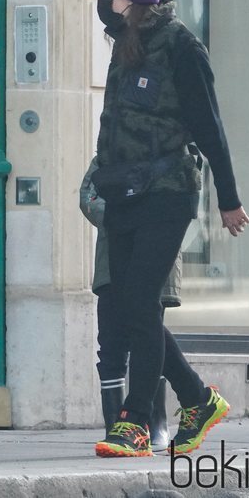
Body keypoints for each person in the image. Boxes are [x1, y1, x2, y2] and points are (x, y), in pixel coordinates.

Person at [92, 0, 249, 458]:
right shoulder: (125, 42)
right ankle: (197, 399)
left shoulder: (182, 47)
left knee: (141, 300)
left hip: (167, 191)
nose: (103, 3)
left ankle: (135, 423)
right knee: (133, 307)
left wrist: (228, 198)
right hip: (122, 194)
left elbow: (211, 127)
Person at [80, 156, 182, 451]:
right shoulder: (110, 152)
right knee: (110, 344)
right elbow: (88, 196)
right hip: (112, 263)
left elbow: (180, 201)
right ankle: (116, 427)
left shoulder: (172, 149)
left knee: (147, 338)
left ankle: (155, 423)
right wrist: (122, 218)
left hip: (155, 259)